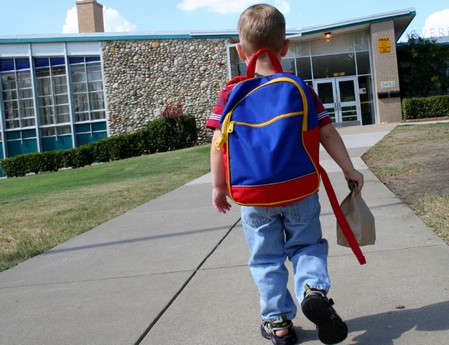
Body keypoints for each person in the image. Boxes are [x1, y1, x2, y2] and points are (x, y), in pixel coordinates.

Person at [207, 4, 364, 345]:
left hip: (254, 196)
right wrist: (348, 169)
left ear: (239, 49)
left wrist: (219, 187)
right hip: (300, 190)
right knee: (307, 245)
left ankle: (278, 322)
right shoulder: (300, 88)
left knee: (266, 258)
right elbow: (327, 133)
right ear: (286, 47)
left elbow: (218, 143)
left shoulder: (231, 93)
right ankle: (313, 289)